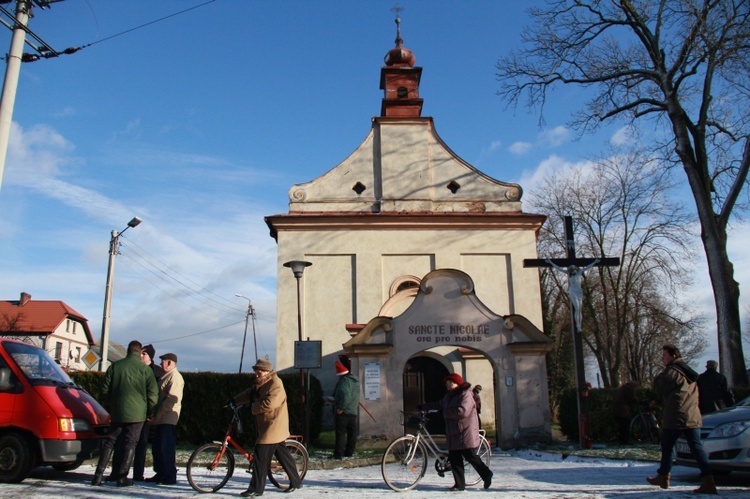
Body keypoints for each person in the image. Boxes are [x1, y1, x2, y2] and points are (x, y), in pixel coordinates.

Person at [646, 344, 716, 494]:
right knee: (697, 448)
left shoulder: (673, 371)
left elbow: (659, 387)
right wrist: (660, 401)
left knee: (667, 445)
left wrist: (656, 377)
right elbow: (678, 392)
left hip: (677, 416)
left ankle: (663, 476)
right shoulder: (687, 371)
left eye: (664, 355)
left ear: (673, 356)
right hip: (691, 414)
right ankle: (708, 480)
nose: (662, 358)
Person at [228, 359, 302, 497]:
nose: (257, 375)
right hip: (267, 424)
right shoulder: (262, 382)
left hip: (274, 425)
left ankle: (256, 488)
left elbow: (270, 404)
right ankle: (296, 481)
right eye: (256, 372)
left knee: (260, 457)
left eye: (259, 372)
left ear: (267, 371)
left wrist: (252, 407)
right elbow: (249, 393)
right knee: (283, 455)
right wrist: (234, 400)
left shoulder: (276, 384)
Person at [92, 340, 158, 487]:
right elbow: (153, 395)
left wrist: (112, 404)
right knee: (130, 443)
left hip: (117, 412)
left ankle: (98, 475)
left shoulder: (115, 366)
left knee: (110, 442)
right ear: (139, 352)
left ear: (128, 350)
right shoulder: (146, 370)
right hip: (138, 414)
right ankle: (122, 477)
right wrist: (150, 412)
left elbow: (104, 389)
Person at [421, 373, 493, 491]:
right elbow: (440, 404)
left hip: (465, 430)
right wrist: (423, 407)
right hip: (453, 431)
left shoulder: (466, 395)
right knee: (455, 458)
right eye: (447, 384)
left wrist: (444, 413)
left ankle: (486, 474)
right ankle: (459, 485)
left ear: (458, 383)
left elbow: (462, 411)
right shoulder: (449, 396)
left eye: (452, 383)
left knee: (470, 456)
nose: (449, 385)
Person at [146, 353, 184, 485]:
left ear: (170, 363)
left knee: (165, 447)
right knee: (158, 447)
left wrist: (157, 415)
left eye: (163, 362)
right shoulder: (166, 376)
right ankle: (161, 473)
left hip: (167, 417)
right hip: (163, 418)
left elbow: (170, 401)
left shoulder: (174, 378)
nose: (161, 364)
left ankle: (169, 475)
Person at [331, 359, 360, 459]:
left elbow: (346, 396)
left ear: (341, 374)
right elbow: (354, 395)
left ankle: (338, 453)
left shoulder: (344, 382)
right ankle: (349, 452)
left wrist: (341, 408)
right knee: (352, 433)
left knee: (341, 433)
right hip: (353, 411)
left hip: (344, 412)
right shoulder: (355, 381)